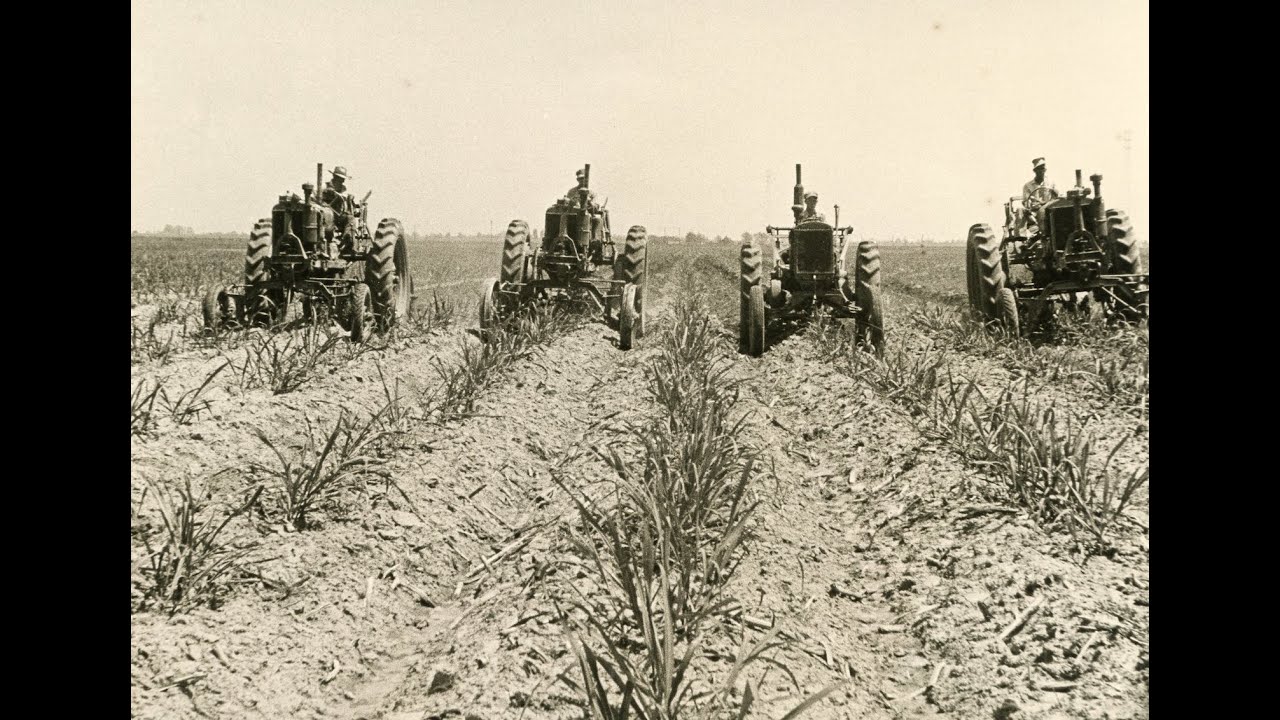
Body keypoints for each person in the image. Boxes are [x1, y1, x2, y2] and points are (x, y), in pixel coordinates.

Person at [322, 166, 358, 250]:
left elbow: (346, 201)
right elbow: (315, 198)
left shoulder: (344, 189)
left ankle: (345, 241)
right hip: (326, 214)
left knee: (350, 219)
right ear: (334, 177)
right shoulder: (324, 186)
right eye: (340, 178)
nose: (342, 181)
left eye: (343, 179)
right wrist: (326, 193)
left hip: (339, 216)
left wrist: (350, 198)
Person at [1021, 157, 1058, 230]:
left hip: (1049, 209)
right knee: (1022, 211)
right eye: (1039, 169)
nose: (1042, 171)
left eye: (1043, 169)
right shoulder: (1027, 186)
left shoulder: (1051, 183)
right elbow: (1026, 202)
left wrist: (1056, 193)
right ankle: (1022, 236)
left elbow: (1057, 196)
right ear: (1035, 171)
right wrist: (1030, 205)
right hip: (1035, 212)